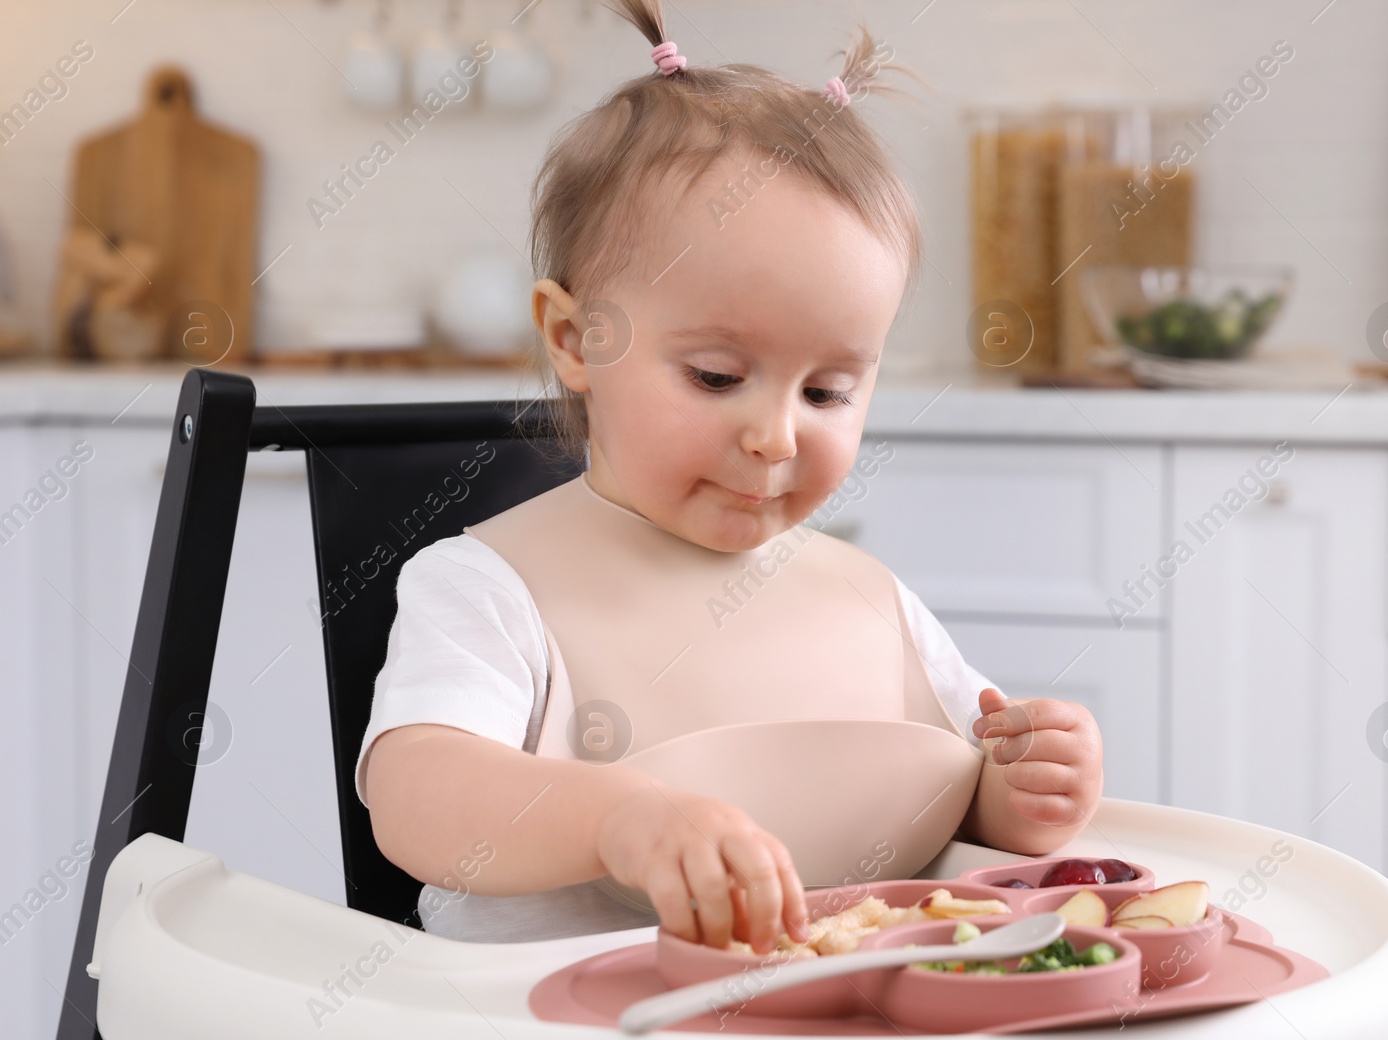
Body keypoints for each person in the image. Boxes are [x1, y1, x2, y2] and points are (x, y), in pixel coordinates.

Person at [358, 0, 1104, 955]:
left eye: (829, 391)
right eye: (716, 376)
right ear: (573, 338)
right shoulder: (486, 589)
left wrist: (1030, 788)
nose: (775, 435)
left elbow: (959, 806)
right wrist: (617, 817)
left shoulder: (877, 605)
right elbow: (418, 798)